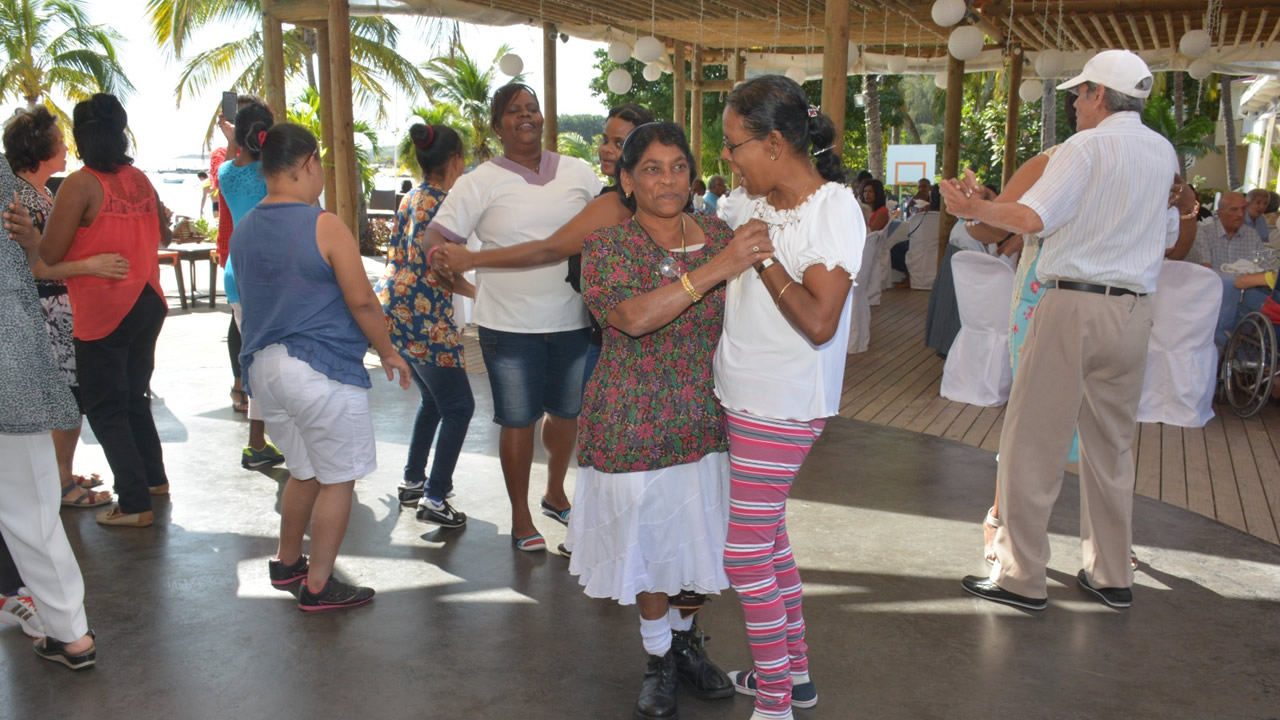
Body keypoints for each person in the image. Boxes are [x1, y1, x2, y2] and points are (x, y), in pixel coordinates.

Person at [941, 50, 1178, 611]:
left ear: (1100, 94)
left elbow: (1032, 219)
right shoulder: (1162, 151)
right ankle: (1112, 573)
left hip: (1074, 304)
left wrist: (972, 207)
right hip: (1135, 311)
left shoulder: (1087, 147)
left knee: (1032, 442)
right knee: (1112, 446)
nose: (1073, 103)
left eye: (1079, 93)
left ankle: (1021, 576)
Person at [570, 120, 772, 720]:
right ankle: (658, 655)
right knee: (651, 549)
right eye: (651, 169)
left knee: (701, 547)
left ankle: (686, 640)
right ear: (627, 180)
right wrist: (717, 267)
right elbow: (630, 318)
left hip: (709, 418)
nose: (667, 179)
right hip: (632, 419)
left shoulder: (719, 232)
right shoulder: (606, 247)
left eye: (678, 166)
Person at [716, 75, 863, 720]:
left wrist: (764, 260)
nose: (727, 158)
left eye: (733, 144)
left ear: (774, 142)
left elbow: (820, 322)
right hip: (740, 392)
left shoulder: (832, 209)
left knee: (743, 553)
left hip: (783, 404)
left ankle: (775, 703)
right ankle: (794, 677)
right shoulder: (758, 199)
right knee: (768, 542)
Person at [233, 123, 411, 610]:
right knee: (338, 478)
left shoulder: (245, 227)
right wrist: (389, 351)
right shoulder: (322, 223)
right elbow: (363, 302)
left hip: (265, 373)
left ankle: (287, 562)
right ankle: (318, 584)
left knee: (304, 470)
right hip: (320, 369)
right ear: (310, 163)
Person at [424, 83, 600, 552]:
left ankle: (554, 491)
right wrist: (459, 279)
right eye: (514, 110)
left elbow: (613, 225)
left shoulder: (579, 173)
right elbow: (435, 241)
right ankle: (521, 517)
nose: (527, 116)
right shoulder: (479, 182)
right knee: (518, 419)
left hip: (572, 319)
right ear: (498, 125)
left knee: (566, 414)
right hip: (508, 327)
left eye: (533, 108)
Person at [431, 103, 655, 395]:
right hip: (620, 340)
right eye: (604, 140)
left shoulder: (616, 203)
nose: (606, 150)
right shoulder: (639, 199)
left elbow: (549, 250)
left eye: (620, 143)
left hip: (616, 347)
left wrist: (472, 258)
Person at [39, 93, 174, 529]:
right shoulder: (139, 179)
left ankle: (134, 504)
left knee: (104, 407)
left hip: (105, 307)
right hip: (148, 299)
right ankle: (153, 481)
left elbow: (49, 255)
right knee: (134, 397)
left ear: (81, 134)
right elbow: (161, 235)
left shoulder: (80, 184)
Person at [0, 155, 97, 669]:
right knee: (31, 510)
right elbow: (31, 264)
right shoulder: (4, 180)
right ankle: (69, 632)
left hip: (10, 365)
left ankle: (68, 632)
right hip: (10, 364)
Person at [4, 106, 122, 508]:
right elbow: (27, 269)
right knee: (66, 399)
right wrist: (90, 265)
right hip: (44, 312)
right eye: (59, 141)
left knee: (70, 399)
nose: (67, 147)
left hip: (58, 309)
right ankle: (57, 482)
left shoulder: (41, 192)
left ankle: (61, 470)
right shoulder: (19, 198)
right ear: (40, 148)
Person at [374, 123, 474, 526]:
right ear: (456, 161)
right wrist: (482, 293)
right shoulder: (444, 205)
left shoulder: (412, 196)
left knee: (434, 401)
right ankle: (435, 497)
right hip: (424, 317)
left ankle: (415, 481)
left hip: (396, 310)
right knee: (459, 406)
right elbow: (441, 265)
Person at [219, 101, 286, 470]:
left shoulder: (226, 173)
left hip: (237, 273)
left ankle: (257, 443)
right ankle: (279, 437)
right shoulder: (275, 172)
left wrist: (232, 140)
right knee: (285, 360)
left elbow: (236, 159)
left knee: (257, 360)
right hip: (273, 275)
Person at [212, 94, 261, 415]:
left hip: (239, 258)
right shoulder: (226, 157)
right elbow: (222, 174)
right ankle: (241, 384)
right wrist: (232, 142)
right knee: (242, 326)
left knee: (244, 325)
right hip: (234, 246)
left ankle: (249, 394)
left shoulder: (238, 166)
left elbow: (225, 176)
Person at [1188, 192, 1266, 350]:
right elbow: (1206, 270)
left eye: (1243, 209)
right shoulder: (1204, 233)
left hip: (1246, 296)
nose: (1240, 214)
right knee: (1228, 286)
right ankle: (1222, 348)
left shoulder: (1251, 235)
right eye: (1234, 210)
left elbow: (1262, 267)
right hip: (1213, 294)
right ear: (1220, 212)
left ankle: (1253, 354)